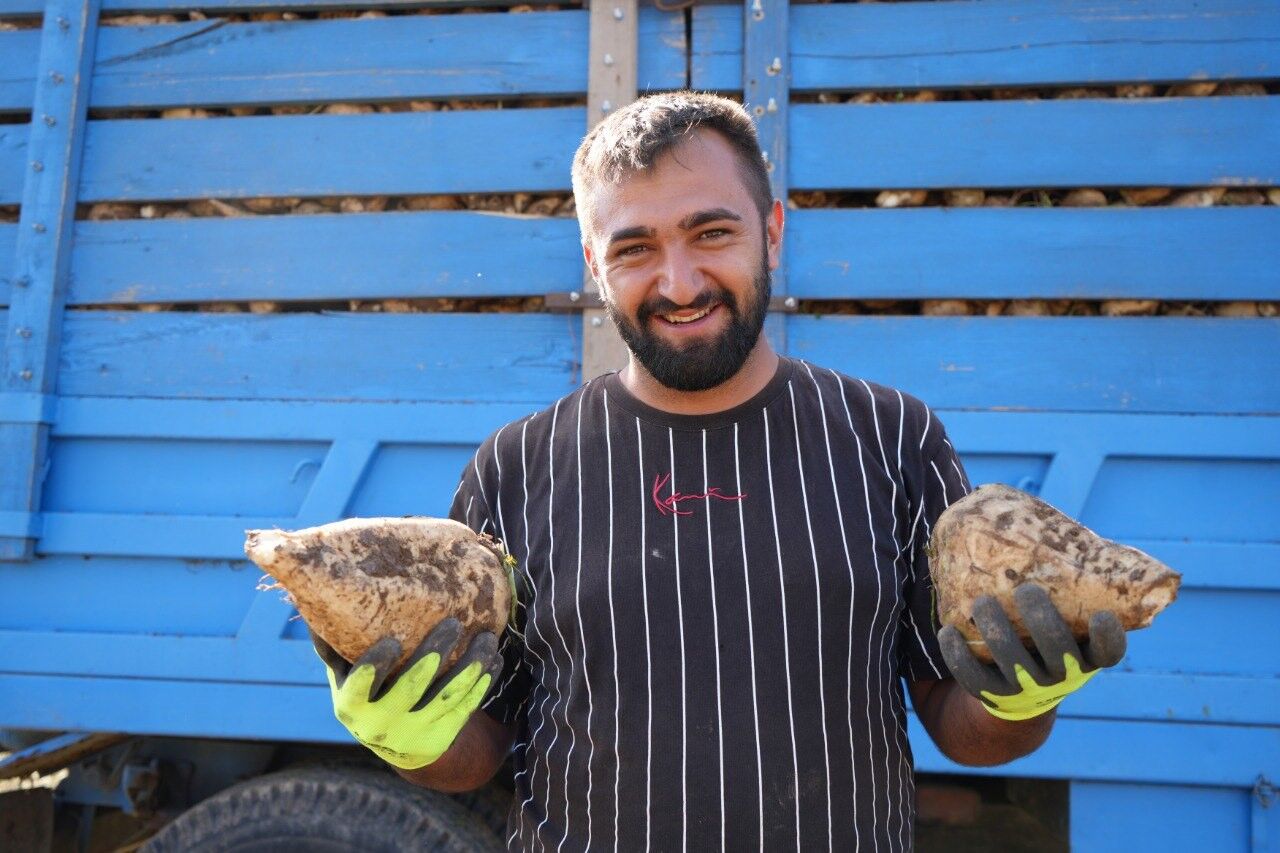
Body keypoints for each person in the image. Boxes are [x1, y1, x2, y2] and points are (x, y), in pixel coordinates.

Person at [312, 91, 1127, 851]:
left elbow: (959, 725)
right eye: (635, 248)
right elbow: (481, 748)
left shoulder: (893, 438)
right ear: (595, 264)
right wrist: (412, 739)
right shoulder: (516, 466)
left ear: (771, 230)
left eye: (712, 233)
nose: (679, 282)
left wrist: (1019, 699)